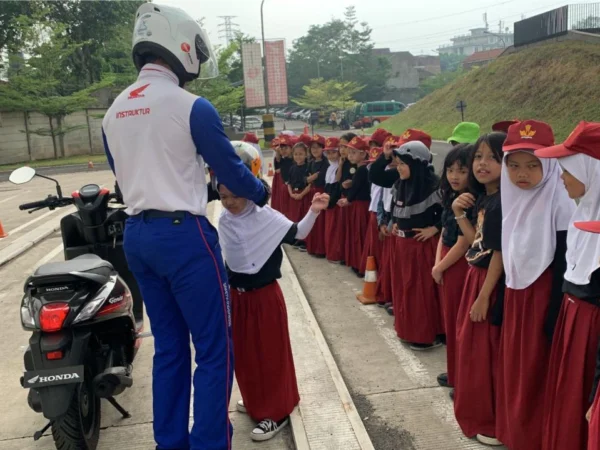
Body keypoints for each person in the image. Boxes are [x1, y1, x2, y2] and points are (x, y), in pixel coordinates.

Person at [100, 4, 269, 450]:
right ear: (181, 45)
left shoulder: (113, 111)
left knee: (170, 349)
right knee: (215, 350)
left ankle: (169, 443)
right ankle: (210, 443)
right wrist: (260, 192)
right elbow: (231, 171)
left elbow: (125, 175)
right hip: (184, 238)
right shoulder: (191, 106)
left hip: (138, 237)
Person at [217, 147, 330, 441]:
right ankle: (256, 400)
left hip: (264, 297)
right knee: (245, 353)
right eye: (223, 195)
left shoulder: (264, 217)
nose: (229, 202)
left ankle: (276, 411)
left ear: (249, 188)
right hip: (238, 298)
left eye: (235, 195)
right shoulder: (226, 220)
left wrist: (313, 211)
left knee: (270, 354)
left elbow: (298, 233)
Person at [495, 120, 575, 450]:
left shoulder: (561, 203)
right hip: (517, 297)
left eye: (532, 165)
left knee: (535, 372)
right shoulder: (512, 201)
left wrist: (553, 314)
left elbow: (563, 263)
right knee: (515, 370)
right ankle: (515, 434)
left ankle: (534, 439)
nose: (521, 174)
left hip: (543, 299)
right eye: (513, 165)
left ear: (551, 164)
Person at [534, 121, 600, 450]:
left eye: (568, 169)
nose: (561, 177)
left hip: (592, 332)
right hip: (572, 323)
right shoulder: (582, 216)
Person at [452, 132, 506, 446]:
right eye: (478, 157)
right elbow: (479, 241)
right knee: (472, 349)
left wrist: (484, 296)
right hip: (478, 274)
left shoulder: (503, 200)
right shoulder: (486, 197)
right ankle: (480, 413)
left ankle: (491, 419)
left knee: (485, 353)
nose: (482, 164)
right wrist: (459, 213)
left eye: (492, 158)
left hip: (490, 282)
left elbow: (499, 252)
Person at [372, 140, 443, 349]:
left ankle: (424, 335)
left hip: (421, 247)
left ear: (417, 164)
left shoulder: (433, 186)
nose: (399, 168)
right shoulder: (401, 184)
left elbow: (448, 213)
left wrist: (435, 228)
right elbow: (376, 177)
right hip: (401, 245)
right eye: (398, 163)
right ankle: (407, 330)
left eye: (403, 164)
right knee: (405, 290)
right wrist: (393, 223)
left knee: (421, 292)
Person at [432, 144, 473, 393]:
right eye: (450, 170)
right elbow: (445, 232)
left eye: (461, 170)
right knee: (451, 319)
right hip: (447, 260)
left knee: (460, 322)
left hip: (461, 263)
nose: (454, 176)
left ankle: (463, 378)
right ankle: (455, 371)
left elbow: (464, 240)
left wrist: (440, 267)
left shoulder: (470, 200)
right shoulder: (451, 197)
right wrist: (437, 263)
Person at [337, 136, 372, 276]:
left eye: (353, 153)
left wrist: (347, 200)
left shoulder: (362, 169)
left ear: (363, 154)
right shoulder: (361, 169)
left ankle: (360, 264)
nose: (350, 155)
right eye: (349, 152)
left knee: (359, 234)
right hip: (360, 204)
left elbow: (358, 188)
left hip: (361, 205)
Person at [336, 132, 358, 265]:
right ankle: (346, 256)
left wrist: (352, 182)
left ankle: (353, 258)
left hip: (352, 200)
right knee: (345, 230)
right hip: (344, 197)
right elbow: (338, 179)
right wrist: (340, 164)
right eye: (340, 147)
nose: (342, 150)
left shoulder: (355, 164)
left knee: (353, 231)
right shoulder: (344, 163)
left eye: (345, 146)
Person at [306, 135, 330, 257]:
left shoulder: (326, 163)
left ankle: (320, 249)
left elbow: (322, 179)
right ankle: (312, 246)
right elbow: (307, 178)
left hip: (321, 194)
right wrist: (310, 178)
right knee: (312, 220)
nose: (315, 150)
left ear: (323, 148)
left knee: (320, 222)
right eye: (312, 148)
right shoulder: (311, 163)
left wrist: (313, 178)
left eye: (317, 147)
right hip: (312, 192)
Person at [287, 141, 312, 251]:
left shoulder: (308, 167)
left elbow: (310, 184)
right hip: (294, 195)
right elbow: (289, 183)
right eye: (296, 154)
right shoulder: (292, 168)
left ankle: (305, 241)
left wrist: (301, 194)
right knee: (295, 217)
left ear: (306, 154)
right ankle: (297, 239)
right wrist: (291, 194)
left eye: (301, 154)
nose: (298, 156)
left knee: (304, 217)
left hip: (304, 195)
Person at [323, 137, 343, 263]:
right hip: (329, 201)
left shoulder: (339, 166)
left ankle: (336, 254)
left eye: (333, 152)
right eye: (328, 152)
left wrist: (330, 201)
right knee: (330, 229)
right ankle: (330, 252)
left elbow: (337, 184)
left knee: (336, 230)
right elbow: (328, 185)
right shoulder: (329, 167)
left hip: (335, 202)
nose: (330, 155)